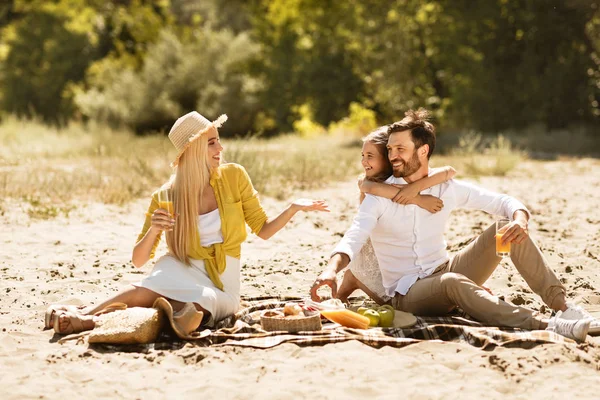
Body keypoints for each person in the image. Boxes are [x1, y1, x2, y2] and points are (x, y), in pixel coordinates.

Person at [311, 108, 598, 342]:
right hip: (408, 294)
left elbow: (502, 201)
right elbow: (354, 236)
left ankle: (564, 308)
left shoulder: (445, 188)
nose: (393, 155)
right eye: (389, 149)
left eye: (401, 148)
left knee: (503, 230)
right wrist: (330, 270)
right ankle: (545, 324)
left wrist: (520, 219)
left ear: (423, 151)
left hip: (447, 268)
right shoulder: (378, 196)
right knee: (450, 283)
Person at [48, 111, 329, 334]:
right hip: (181, 265)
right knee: (150, 286)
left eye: (218, 139)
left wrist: (293, 208)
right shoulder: (166, 196)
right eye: (212, 142)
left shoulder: (234, 176)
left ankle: (156, 317)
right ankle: (84, 316)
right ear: (194, 150)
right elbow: (138, 260)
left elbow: (263, 230)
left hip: (222, 279)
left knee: (207, 301)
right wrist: (155, 230)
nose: (221, 147)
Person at [335, 126, 457, 304]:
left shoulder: (405, 177)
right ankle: (351, 279)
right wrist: (418, 199)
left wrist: (416, 187)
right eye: (363, 155)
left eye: (370, 156)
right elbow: (369, 187)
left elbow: (449, 171)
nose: (363, 161)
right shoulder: (368, 182)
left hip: (398, 256)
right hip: (372, 252)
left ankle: (352, 279)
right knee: (395, 301)